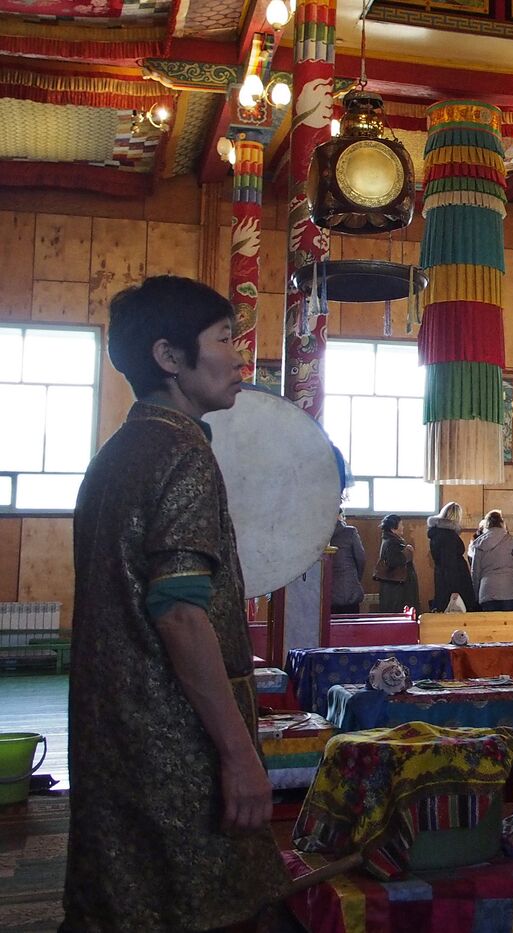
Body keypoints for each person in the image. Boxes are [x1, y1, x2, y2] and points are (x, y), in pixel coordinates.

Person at [64, 275, 287, 931]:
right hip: (175, 746)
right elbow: (180, 612)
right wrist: (239, 752)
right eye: (225, 338)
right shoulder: (185, 453)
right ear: (169, 356)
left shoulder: (117, 454)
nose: (240, 356)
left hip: (114, 739)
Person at [469, 509, 513, 611]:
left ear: (486, 525)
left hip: (487, 592)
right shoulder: (512, 541)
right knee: (512, 625)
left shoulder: (478, 544)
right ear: (502, 523)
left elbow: (475, 573)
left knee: (492, 626)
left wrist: (476, 595)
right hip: (510, 591)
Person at [427, 501, 477, 612]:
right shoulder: (449, 537)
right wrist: (454, 589)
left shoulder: (437, 534)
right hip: (456, 582)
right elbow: (450, 564)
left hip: (443, 580)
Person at [376, 514, 420, 614]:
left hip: (395, 588)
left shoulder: (389, 540)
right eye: (401, 524)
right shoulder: (392, 542)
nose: (403, 527)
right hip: (397, 590)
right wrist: (408, 551)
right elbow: (394, 561)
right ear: (393, 528)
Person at [329, 509, 366, 615]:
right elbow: (361, 559)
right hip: (349, 590)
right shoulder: (350, 532)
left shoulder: (320, 536)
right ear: (339, 516)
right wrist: (355, 578)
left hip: (326, 592)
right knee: (352, 627)